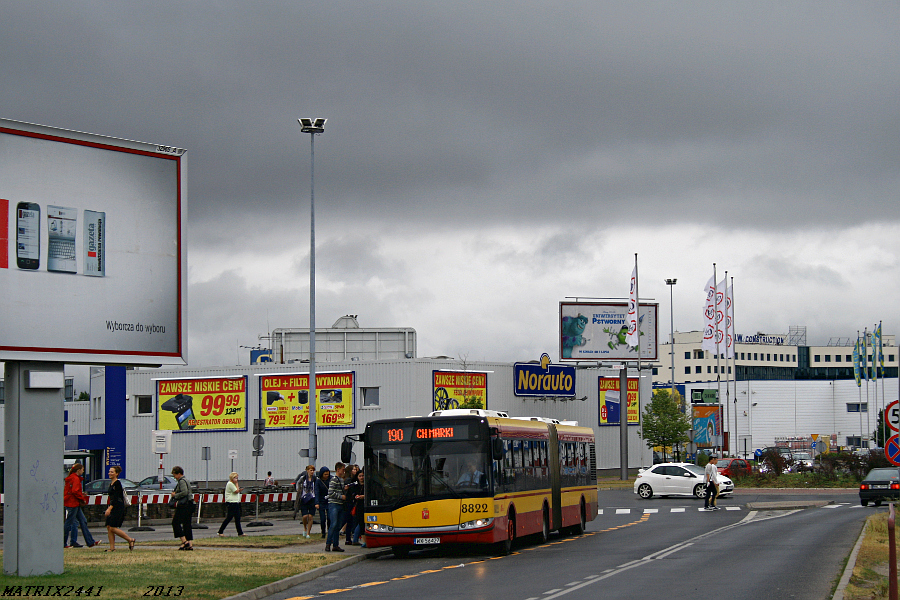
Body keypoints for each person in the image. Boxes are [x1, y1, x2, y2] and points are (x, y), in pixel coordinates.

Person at [64, 463, 98, 548]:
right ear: (78, 470)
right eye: (82, 469)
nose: (83, 471)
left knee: (82, 521)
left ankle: (90, 542)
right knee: (70, 523)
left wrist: (80, 494)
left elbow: (73, 490)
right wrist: (82, 498)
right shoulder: (75, 478)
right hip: (73, 503)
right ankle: (64, 543)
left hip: (72, 502)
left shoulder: (71, 478)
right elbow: (75, 491)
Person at [103, 465, 136, 551]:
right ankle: (112, 548)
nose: (109, 473)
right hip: (113, 506)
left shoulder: (117, 484)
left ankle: (130, 539)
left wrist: (110, 508)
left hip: (117, 507)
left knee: (113, 527)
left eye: (112, 472)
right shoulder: (111, 484)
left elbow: (117, 497)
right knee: (109, 527)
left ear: (116, 474)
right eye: (109, 471)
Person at [171, 465, 195, 549]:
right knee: (187, 524)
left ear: (178, 474)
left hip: (184, 505)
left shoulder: (181, 481)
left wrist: (175, 495)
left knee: (175, 522)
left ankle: (185, 542)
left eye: (174, 475)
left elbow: (184, 492)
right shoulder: (186, 480)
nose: (175, 478)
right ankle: (190, 544)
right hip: (190, 504)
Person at [325, 462, 347, 552]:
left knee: (338, 525)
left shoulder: (341, 480)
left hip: (340, 504)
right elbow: (330, 493)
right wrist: (341, 496)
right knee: (333, 524)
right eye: (343, 469)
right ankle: (328, 543)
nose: (344, 471)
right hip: (333, 504)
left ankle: (336, 545)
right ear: (338, 470)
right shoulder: (334, 479)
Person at [217, 472, 245, 537]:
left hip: (235, 502)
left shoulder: (233, 484)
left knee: (237, 518)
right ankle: (220, 531)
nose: (236, 479)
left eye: (237, 478)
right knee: (229, 517)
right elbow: (236, 491)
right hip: (231, 502)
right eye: (235, 478)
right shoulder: (230, 484)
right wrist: (237, 484)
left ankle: (240, 533)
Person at [297, 465, 318, 539]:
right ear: (307, 470)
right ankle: (305, 528)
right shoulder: (303, 478)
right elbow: (298, 484)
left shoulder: (315, 479)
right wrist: (299, 491)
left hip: (312, 498)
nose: (312, 472)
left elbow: (317, 487)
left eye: (313, 470)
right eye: (310, 470)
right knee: (305, 516)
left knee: (310, 516)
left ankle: (308, 532)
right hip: (304, 498)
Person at [344, 468, 361, 545]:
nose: (362, 477)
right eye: (354, 469)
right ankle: (349, 538)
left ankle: (355, 537)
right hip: (351, 504)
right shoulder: (351, 483)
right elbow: (348, 494)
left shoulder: (364, 484)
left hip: (358, 504)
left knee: (357, 522)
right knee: (350, 521)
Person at [351, 470, 366, 547]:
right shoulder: (356, 486)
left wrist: (364, 496)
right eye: (360, 476)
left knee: (362, 523)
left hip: (366, 505)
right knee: (361, 523)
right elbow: (352, 495)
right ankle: (362, 541)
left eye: (362, 476)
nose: (361, 478)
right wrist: (356, 496)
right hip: (359, 506)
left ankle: (356, 539)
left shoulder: (367, 485)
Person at [315, 466, 331, 538]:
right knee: (322, 518)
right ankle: (323, 532)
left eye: (327, 474)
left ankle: (329, 531)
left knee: (329, 518)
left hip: (329, 500)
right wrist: (317, 502)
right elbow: (317, 492)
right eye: (325, 474)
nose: (326, 476)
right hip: (321, 501)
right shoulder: (318, 481)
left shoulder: (331, 479)